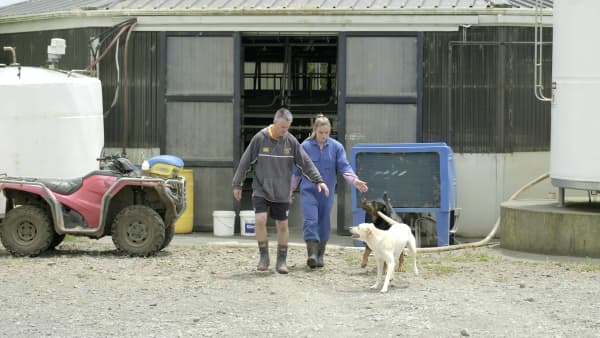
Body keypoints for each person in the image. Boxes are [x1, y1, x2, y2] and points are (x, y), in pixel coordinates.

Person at [232, 108, 329, 274]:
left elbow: (305, 162)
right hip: (262, 188)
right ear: (275, 122)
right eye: (282, 127)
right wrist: (237, 184)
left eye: (287, 128)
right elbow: (245, 161)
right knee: (260, 219)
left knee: (282, 224)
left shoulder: (290, 141)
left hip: (282, 190)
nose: (284, 131)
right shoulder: (260, 139)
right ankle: (264, 256)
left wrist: (318, 180)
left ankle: (281, 260)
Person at [291, 114, 368, 269]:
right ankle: (311, 254)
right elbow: (296, 171)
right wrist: (289, 191)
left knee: (324, 223)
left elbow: (344, 167)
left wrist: (355, 180)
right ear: (315, 130)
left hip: (326, 193)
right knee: (310, 221)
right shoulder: (304, 147)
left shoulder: (336, 147)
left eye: (327, 133)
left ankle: (320, 254)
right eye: (321, 133)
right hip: (309, 191)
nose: (324, 136)